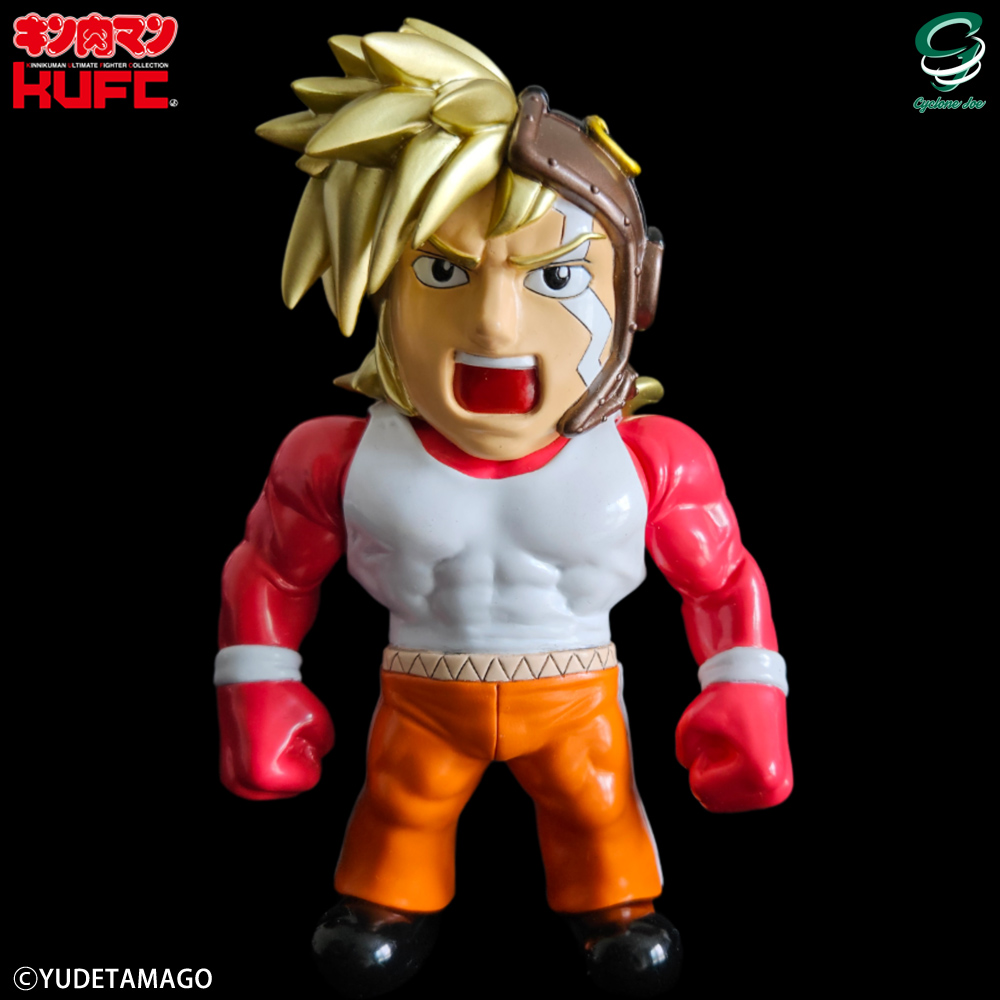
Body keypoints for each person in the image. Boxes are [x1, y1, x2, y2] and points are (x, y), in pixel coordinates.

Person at [215, 19, 792, 998]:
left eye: (554, 277)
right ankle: (385, 906)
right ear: (380, 288)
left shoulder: (650, 461)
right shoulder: (335, 457)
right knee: (400, 808)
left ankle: (615, 908)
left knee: (598, 805)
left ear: (634, 290)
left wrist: (745, 689)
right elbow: (269, 571)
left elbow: (723, 581)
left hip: (578, 699)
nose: (492, 322)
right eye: (441, 270)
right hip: (421, 696)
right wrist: (259, 683)